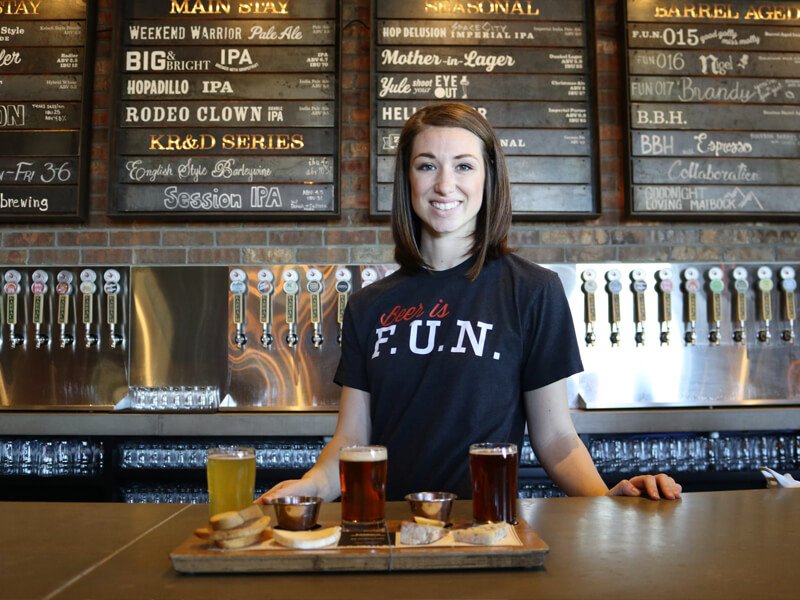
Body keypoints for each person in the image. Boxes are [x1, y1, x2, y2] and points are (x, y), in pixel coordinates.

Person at [259, 102, 681, 504]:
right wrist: (310, 485)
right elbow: (352, 440)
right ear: (407, 179)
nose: (445, 185)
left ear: (487, 178)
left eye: (463, 166)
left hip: (488, 528)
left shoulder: (533, 291)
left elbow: (556, 438)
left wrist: (605, 500)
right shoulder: (368, 306)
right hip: (393, 529)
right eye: (427, 165)